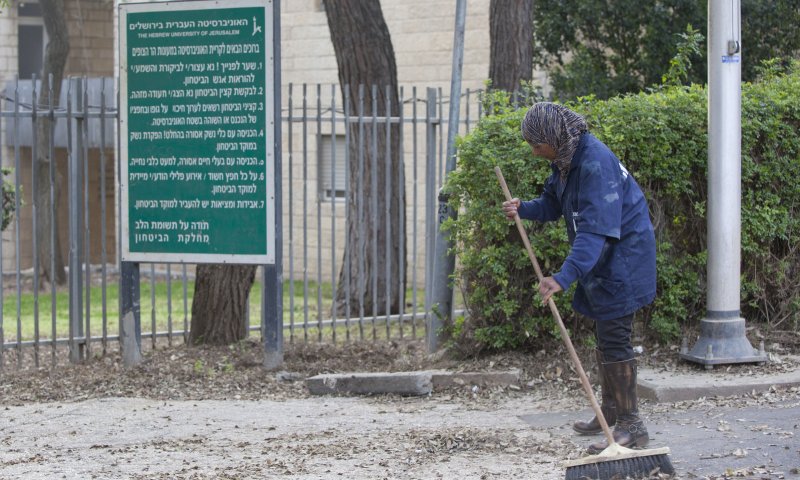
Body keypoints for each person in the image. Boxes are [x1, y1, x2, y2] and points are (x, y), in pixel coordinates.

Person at [502, 102, 657, 454]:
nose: (533, 151)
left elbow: (594, 232)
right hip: (604, 260)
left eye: (536, 144)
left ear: (552, 139)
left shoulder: (594, 163)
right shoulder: (566, 159)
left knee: (616, 337)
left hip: (624, 260)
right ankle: (612, 410)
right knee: (605, 335)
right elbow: (553, 204)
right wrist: (523, 209)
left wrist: (562, 277)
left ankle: (633, 426)